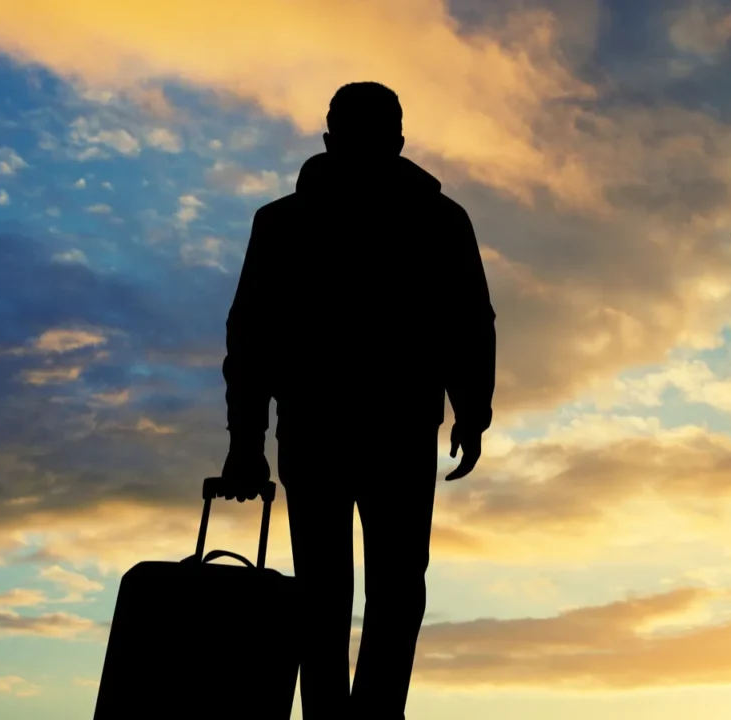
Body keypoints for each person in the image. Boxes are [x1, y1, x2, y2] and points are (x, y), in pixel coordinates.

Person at [218, 81, 496, 718]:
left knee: (340, 590)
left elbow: (250, 338)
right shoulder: (433, 221)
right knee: (378, 590)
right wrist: (471, 409)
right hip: (369, 431)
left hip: (336, 431)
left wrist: (246, 441)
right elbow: (470, 323)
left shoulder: (288, 222)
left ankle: (346, 717)